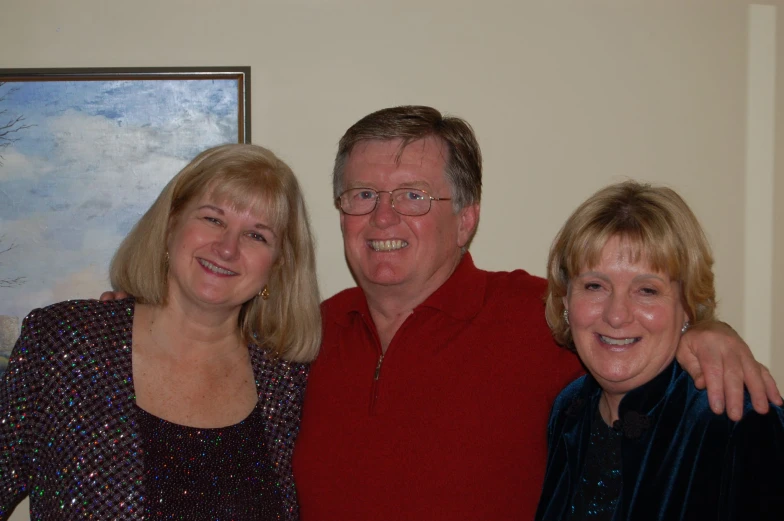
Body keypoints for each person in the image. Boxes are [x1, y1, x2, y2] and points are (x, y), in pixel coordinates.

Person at [291, 106, 782, 521]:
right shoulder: (307, 335)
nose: (382, 216)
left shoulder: (539, 315)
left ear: (466, 220)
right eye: (362, 195)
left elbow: (632, 324)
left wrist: (708, 330)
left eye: (413, 195)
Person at [0, 144, 321, 520]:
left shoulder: (290, 382)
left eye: (257, 236)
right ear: (171, 223)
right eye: (213, 219)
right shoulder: (65, 344)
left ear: (277, 265)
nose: (227, 248)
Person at [535, 181, 784, 520]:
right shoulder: (570, 411)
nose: (616, 315)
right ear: (566, 300)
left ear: (688, 307)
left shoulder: (734, 420)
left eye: (647, 290)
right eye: (595, 286)